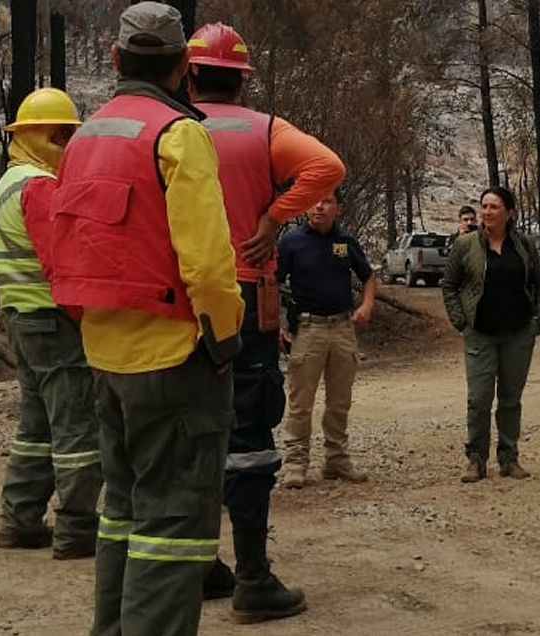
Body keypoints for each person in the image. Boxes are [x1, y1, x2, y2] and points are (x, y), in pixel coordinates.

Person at [41, 4, 244, 635]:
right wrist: (224, 339)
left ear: (114, 58)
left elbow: (64, 246)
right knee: (175, 529)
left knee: (121, 518)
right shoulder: (179, 135)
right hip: (175, 359)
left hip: (105, 358)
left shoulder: (86, 137)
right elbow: (209, 265)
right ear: (183, 65)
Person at [186, 21, 344, 622]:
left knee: (193, 429)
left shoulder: (172, 128)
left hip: (180, 301)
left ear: (192, 73)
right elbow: (328, 166)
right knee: (248, 430)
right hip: (247, 298)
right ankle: (253, 579)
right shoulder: (263, 129)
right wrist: (274, 216)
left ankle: (199, 565)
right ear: (242, 83)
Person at [0, 88, 102, 560]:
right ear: (39, 136)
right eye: (59, 134)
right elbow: (60, 262)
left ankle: (20, 519)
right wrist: (87, 318)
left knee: (36, 425)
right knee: (76, 423)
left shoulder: (8, 181)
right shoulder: (37, 185)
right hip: (51, 319)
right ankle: (77, 527)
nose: (65, 142)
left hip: (21, 317)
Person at [441, 186, 540, 483]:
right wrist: (460, 321)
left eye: (494, 207)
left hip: (518, 333)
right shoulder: (465, 245)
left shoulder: (524, 245)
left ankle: (509, 458)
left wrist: (539, 320)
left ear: (509, 213)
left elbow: (539, 285)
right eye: (483, 206)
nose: (487, 212)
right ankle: (476, 459)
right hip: (480, 333)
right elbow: (448, 285)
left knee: (511, 399)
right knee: (479, 399)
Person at [277, 189, 376, 489]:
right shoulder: (291, 242)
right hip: (308, 329)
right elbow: (274, 282)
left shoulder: (344, 242)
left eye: (327, 201)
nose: (319, 207)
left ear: (338, 208)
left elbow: (368, 276)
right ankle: (295, 463)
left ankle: (336, 460)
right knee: (300, 400)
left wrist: (367, 305)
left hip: (343, 327)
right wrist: (278, 325)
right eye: (314, 201)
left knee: (339, 399)